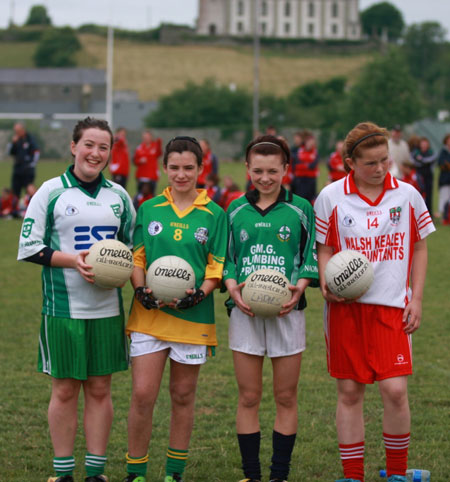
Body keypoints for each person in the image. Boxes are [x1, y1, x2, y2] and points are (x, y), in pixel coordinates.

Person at [314, 122, 435, 482]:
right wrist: (325, 283)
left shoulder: (408, 195)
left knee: (395, 391)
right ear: (350, 162)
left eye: (384, 160)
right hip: (346, 309)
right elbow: (325, 249)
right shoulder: (331, 197)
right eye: (370, 163)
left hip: (393, 307)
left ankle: (397, 473)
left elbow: (419, 246)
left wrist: (417, 299)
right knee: (350, 392)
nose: (380, 168)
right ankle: (353, 476)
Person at [17, 117, 136, 482]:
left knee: (101, 388)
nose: (95, 153)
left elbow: (132, 249)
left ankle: (96, 472)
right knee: (65, 388)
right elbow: (29, 247)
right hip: (62, 308)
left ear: (109, 154)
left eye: (103, 147)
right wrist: (75, 261)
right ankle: (63, 473)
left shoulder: (119, 197)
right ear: (73, 147)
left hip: (106, 309)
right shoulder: (50, 192)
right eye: (88, 145)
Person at [124, 136, 227, 482]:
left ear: (201, 168)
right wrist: (141, 291)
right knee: (142, 395)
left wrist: (199, 294)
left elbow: (217, 266)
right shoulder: (150, 208)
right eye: (174, 168)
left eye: (188, 168)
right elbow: (137, 256)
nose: (181, 175)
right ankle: (135, 472)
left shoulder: (215, 214)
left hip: (192, 317)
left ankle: (174, 473)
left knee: (182, 396)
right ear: (163, 168)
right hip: (150, 316)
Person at [224, 135, 319, 482]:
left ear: (285, 170)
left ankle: (279, 475)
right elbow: (227, 258)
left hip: (287, 311)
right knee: (248, 396)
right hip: (245, 311)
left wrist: (299, 291)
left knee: (285, 395)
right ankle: (251, 474)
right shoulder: (234, 209)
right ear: (247, 168)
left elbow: (311, 258)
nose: (265, 178)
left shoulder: (302, 208)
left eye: (273, 171)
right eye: (258, 171)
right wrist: (232, 287)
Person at [7, 122, 40, 200]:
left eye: (18, 131)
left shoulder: (30, 139)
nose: (17, 133)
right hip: (18, 169)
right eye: (16, 131)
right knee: (15, 190)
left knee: (30, 189)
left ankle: (34, 204)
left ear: (23, 130)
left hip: (28, 170)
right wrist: (13, 143)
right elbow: (11, 152)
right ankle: (15, 208)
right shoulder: (16, 140)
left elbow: (36, 152)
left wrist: (32, 164)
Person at [410, 136, 436, 217]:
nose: (424, 145)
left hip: (429, 176)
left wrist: (422, 161)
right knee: (419, 194)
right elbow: (415, 162)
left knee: (429, 195)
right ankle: (420, 214)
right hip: (419, 176)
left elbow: (431, 160)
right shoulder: (416, 152)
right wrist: (423, 161)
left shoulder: (431, 152)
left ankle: (429, 214)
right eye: (422, 144)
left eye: (425, 144)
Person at [291, 131, 319, 204]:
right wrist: (306, 165)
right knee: (300, 198)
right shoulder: (300, 150)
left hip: (311, 179)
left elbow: (312, 166)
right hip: (300, 179)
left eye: (312, 142)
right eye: (309, 142)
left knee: (311, 198)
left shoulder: (315, 152)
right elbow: (297, 164)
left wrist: (304, 165)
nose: (310, 144)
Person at [133, 130, 162, 196]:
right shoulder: (139, 148)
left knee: (152, 195)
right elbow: (135, 161)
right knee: (140, 195)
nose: (146, 139)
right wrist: (139, 161)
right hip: (141, 175)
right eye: (144, 137)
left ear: (151, 137)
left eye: (147, 137)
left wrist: (159, 142)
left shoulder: (155, 146)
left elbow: (159, 153)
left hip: (152, 175)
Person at [437, 133, 450, 225]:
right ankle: (443, 217)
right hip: (445, 179)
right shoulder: (443, 151)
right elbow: (442, 164)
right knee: (444, 198)